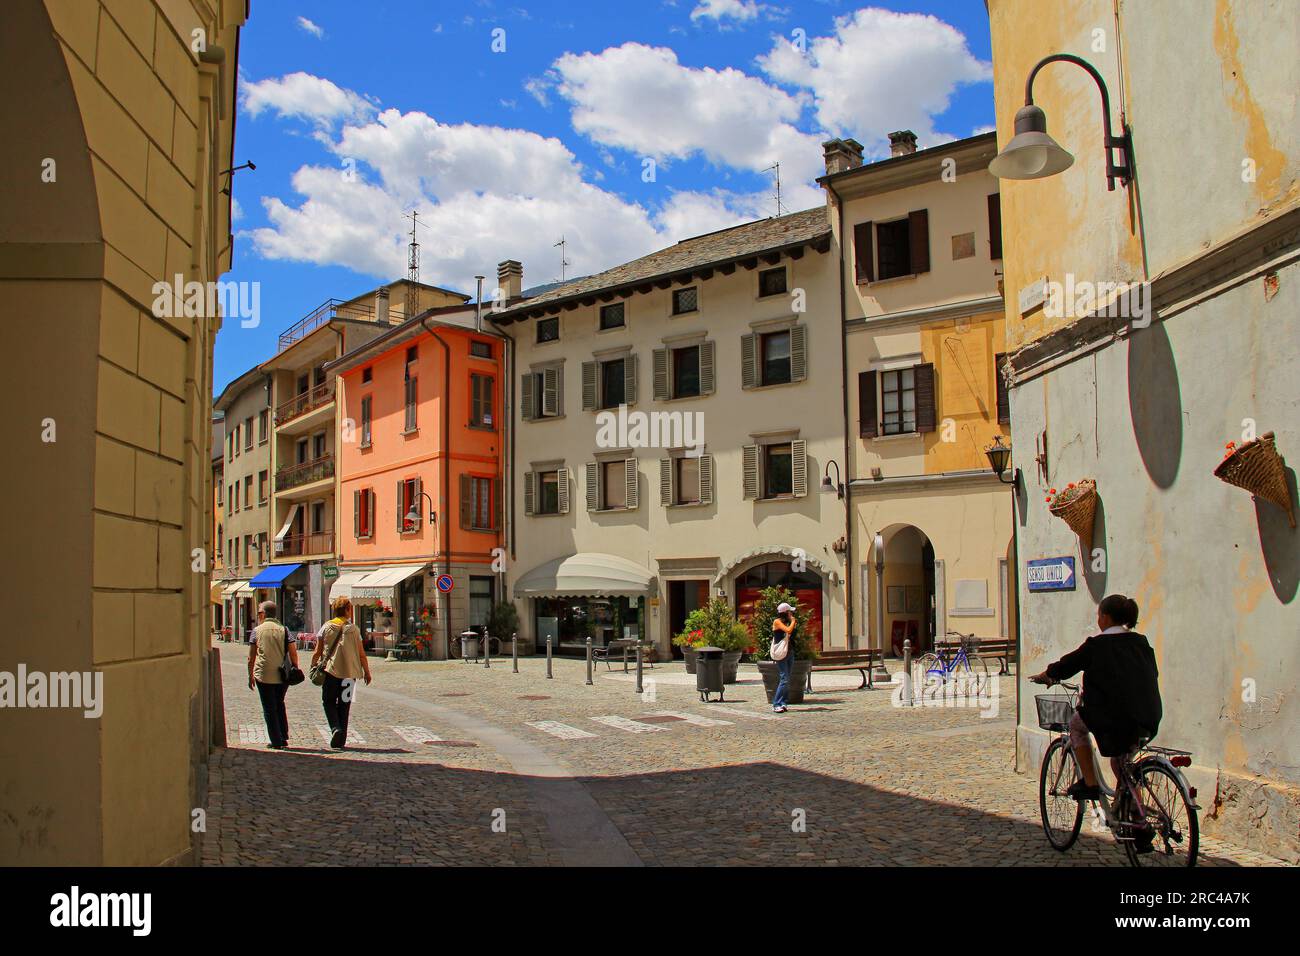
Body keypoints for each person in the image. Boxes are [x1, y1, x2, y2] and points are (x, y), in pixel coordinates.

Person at [1031, 594, 1162, 805]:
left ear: (1106, 617)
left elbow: (1067, 665)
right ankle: (1138, 814)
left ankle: (1090, 784)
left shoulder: (1096, 645)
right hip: (1148, 715)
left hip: (1113, 718)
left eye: (1099, 615)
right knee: (1122, 764)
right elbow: (1150, 673)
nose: (1098, 619)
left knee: (1076, 724)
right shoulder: (1141, 642)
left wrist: (1048, 674)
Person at [312, 597, 372, 750]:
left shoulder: (326, 627)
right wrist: (367, 672)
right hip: (349, 675)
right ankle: (341, 739)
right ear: (347, 610)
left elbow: (318, 651)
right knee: (345, 705)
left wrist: (313, 665)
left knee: (329, 701)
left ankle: (335, 728)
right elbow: (361, 654)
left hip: (331, 673)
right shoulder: (355, 630)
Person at [248, 600, 298, 750]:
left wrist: (250, 674)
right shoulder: (284, 629)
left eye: (258, 613)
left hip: (263, 674)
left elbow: (251, 656)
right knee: (279, 704)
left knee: (269, 708)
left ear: (263, 614)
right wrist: (295, 668)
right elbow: (292, 652)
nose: (258, 615)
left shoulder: (256, 631)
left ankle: (275, 740)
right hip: (282, 674)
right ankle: (283, 736)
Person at [771, 601, 796, 714]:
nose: (791, 613)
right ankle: (776, 703)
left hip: (789, 652)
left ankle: (783, 702)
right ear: (785, 612)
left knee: (787, 678)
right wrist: (793, 621)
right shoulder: (777, 622)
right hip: (781, 653)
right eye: (789, 611)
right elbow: (788, 630)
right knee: (784, 678)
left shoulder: (786, 622)